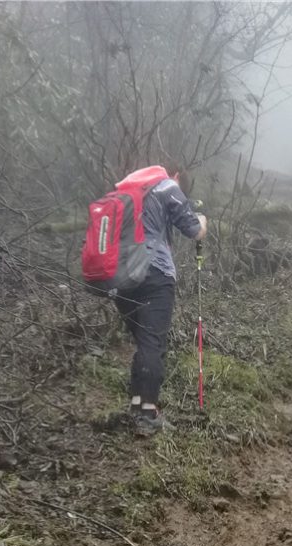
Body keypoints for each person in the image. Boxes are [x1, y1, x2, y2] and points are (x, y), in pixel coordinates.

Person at [111, 165, 207, 436]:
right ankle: (148, 414)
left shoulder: (130, 190)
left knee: (144, 342)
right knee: (153, 342)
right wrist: (202, 220)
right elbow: (194, 231)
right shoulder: (167, 186)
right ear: (176, 177)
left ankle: (137, 405)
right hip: (154, 272)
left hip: (119, 275)